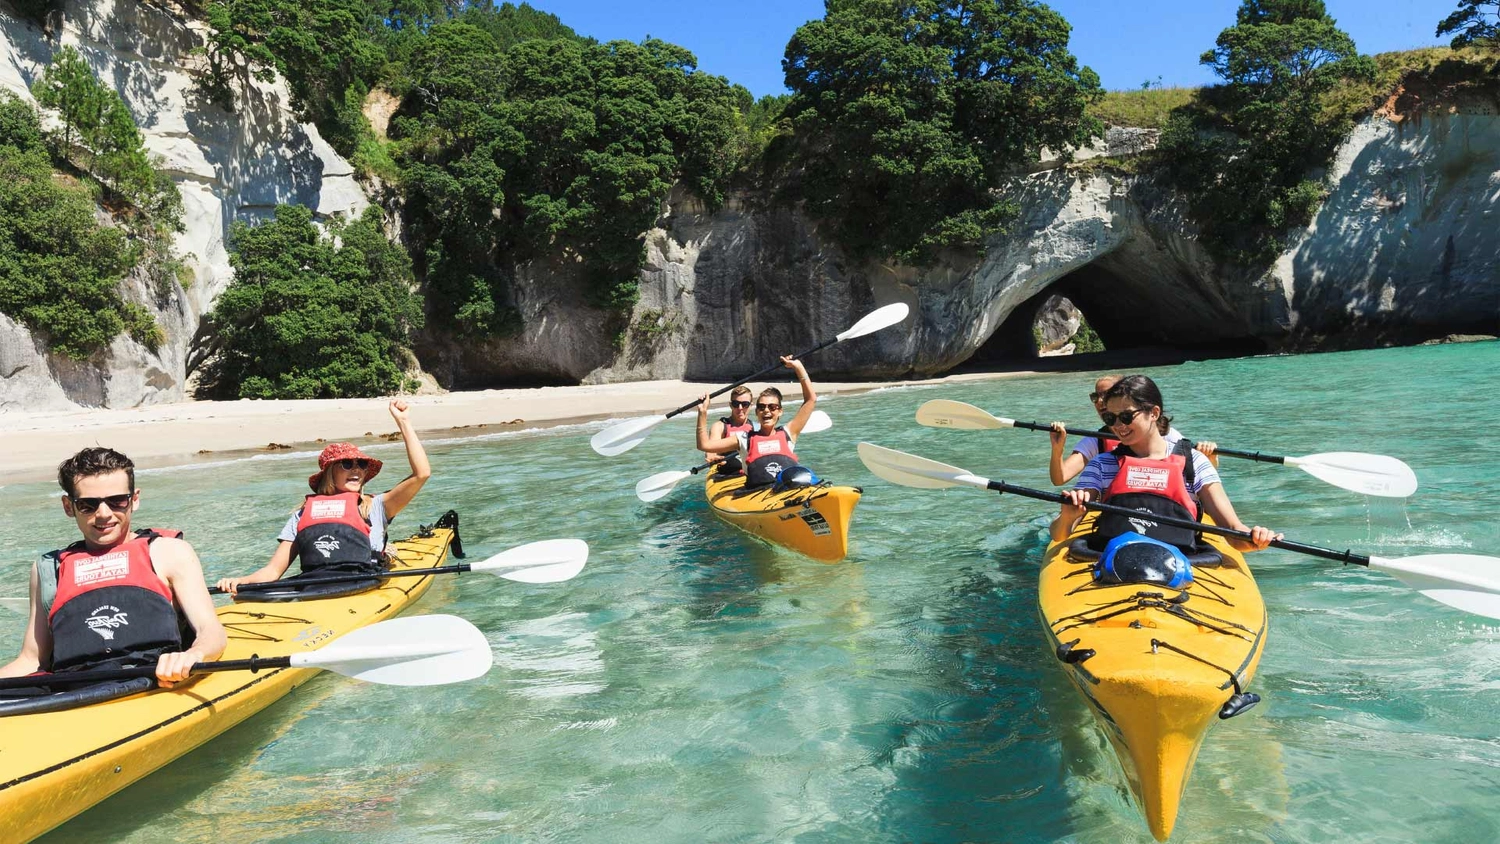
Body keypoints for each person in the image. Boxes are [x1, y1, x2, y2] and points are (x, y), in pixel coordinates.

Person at [0, 447, 227, 689]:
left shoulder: (169, 552)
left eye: (117, 501)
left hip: (154, 682)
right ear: (69, 506)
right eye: (88, 505)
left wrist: (193, 655)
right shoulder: (48, 569)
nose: (104, 515)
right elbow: (31, 659)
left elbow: (210, 631)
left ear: (134, 500)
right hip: (73, 690)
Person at [216, 400, 431, 595]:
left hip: (365, 585)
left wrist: (403, 422)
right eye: (346, 464)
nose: (356, 470)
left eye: (361, 464)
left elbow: (422, 474)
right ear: (330, 472)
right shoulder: (302, 514)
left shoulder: (376, 507)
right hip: (315, 588)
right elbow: (272, 572)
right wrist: (239, 581)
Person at [1049, 375, 1276, 553]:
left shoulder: (1194, 463)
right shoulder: (1101, 465)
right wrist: (1068, 516)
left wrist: (1256, 538)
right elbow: (1059, 534)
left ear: (1154, 413)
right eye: (1111, 419)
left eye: (1127, 417)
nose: (1118, 425)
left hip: (1179, 561)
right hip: (1114, 558)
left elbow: (1234, 533)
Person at [1049, 374, 1218, 486]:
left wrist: (1210, 459)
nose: (1100, 401)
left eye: (1107, 394)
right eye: (1096, 396)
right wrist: (1057, 450)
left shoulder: (1168, 436)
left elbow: (1194, 473)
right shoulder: (1095, 441)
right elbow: (1060, 478)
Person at [696, 356, 818, 489]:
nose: (766, 411)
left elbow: (810, 400)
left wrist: (798, 367)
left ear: (780, 411)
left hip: (786, 489)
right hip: (757, 493)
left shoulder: (789, 432)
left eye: (772, 407)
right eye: (762, 407)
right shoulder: (743, 438)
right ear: (756, 412)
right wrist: (702, 412)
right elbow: (704, 445)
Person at [704, 385, 756, 474]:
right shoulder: (719, 427)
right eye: (736, 404)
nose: (740, 408)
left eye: (745, 404)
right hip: (726, 473)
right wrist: (712, 458)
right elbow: (710, 451)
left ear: (750, 405)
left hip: (750, 473)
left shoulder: (755, 427)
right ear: (730, 405)